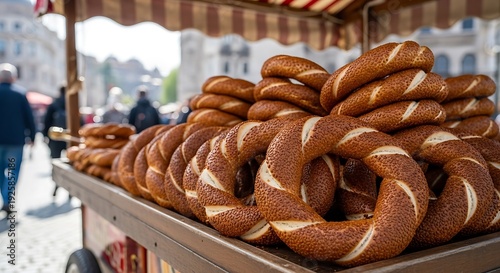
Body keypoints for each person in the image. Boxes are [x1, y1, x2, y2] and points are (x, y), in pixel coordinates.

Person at [0, 63, 36, 215]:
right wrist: (33, 136)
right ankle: (8, 200)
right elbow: (29, 117)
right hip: (15, 141)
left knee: (0, 171)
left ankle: (6, 199)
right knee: (13, 172)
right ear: (13, 78)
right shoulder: (20, 94)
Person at [42, 85, 67, 159]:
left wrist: (45, 135)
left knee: (55, 159)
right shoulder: (73, 104)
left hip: (55, 136)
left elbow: (47, 120)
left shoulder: (54, 104)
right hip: (69, 136)